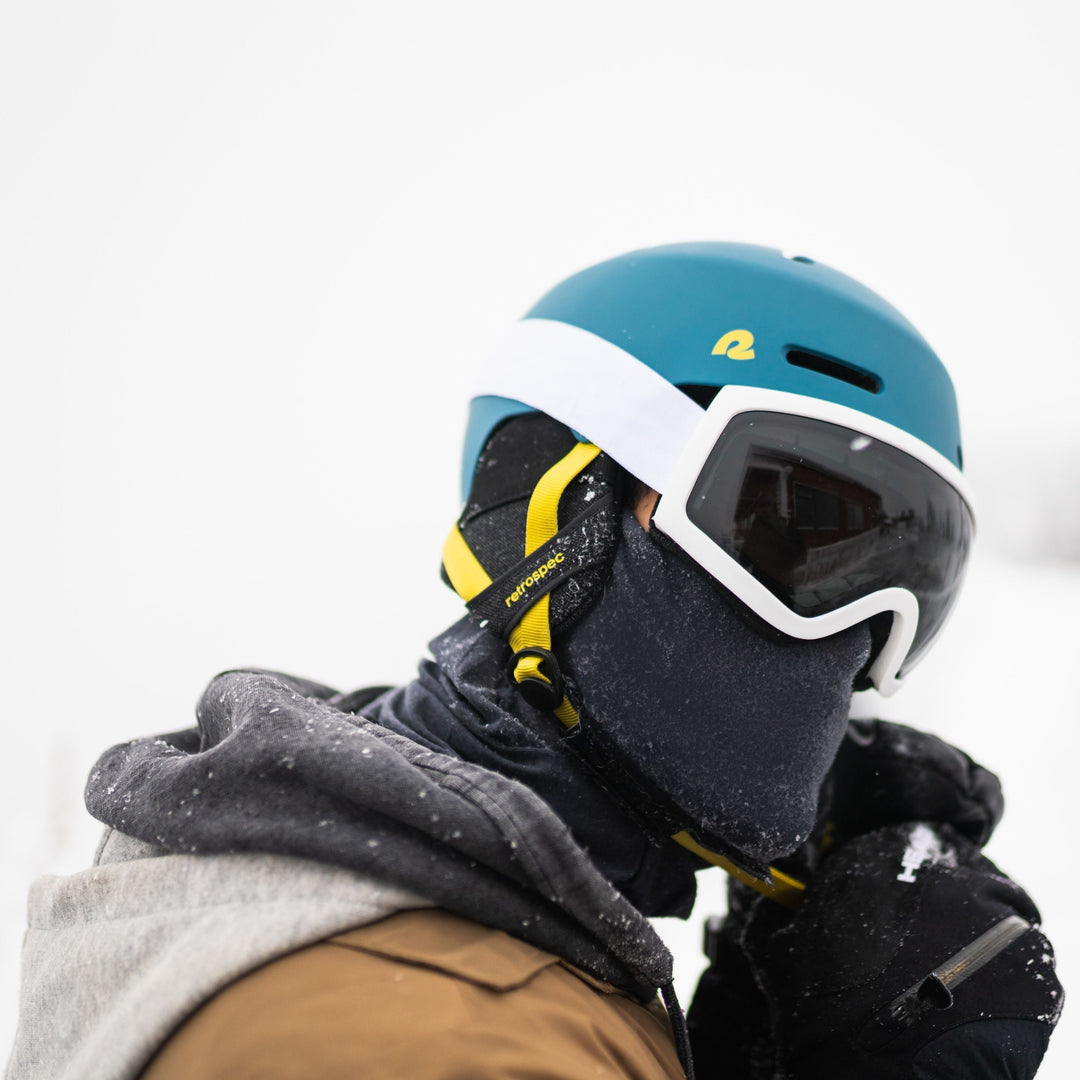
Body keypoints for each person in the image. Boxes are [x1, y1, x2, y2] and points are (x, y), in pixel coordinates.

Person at [6, 244, 1063, 1080]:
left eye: (910, 584)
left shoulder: (374, 893)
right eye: (787, 532)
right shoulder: (423, 1040)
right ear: (555, 513)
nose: (854, 637)